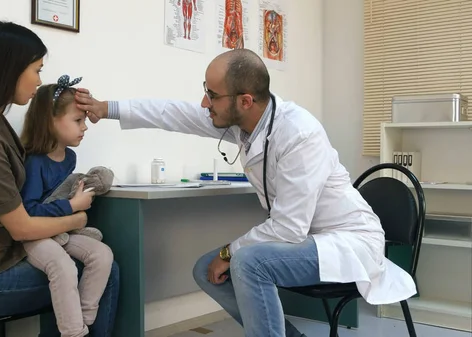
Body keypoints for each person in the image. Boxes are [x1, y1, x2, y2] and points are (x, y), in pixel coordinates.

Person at [73, 48, 417, 337]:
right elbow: (173, 113)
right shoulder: (242, 120)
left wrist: (230, 250)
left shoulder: (299, 133)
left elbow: (288, 228)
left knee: (248, 261)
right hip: (306, 241)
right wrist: (108, 108)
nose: (205, 102)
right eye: (205, 90)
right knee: (204, 267)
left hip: (348, 242)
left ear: (246, 100)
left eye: (212, 94)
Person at [0, 20, 119, 337]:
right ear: (10, 69)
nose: (39, 80)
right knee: (97, 274)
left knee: (94, 265)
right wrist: (77, 217)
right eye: (37, 70)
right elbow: (22, 226)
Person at [18, 75, 114, 337]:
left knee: (102, 254)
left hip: (61, 231)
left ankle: (83, 322)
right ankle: (74, 333)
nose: (84, 127)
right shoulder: (34, 162)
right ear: (50, 121)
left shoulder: (69, 157)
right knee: (62, 266)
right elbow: (29, 211)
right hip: (35, 235)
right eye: (77, 120)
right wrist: (72, 206)